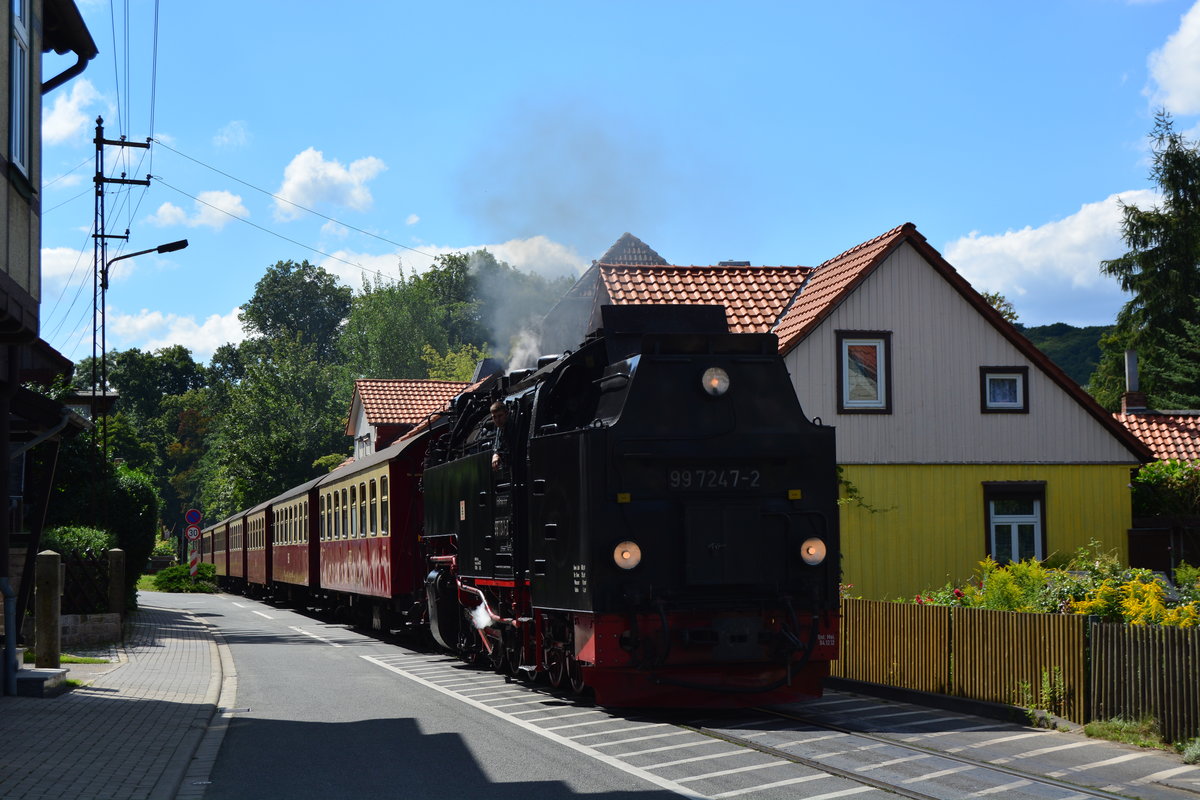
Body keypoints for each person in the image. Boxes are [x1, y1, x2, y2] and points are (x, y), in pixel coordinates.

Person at [490, 401, 510, 471]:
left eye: (500, 416)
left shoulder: (512, 428)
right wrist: (496, 454)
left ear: (506, 414)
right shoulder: (500, 429)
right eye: (494, 417)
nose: (497, 420)